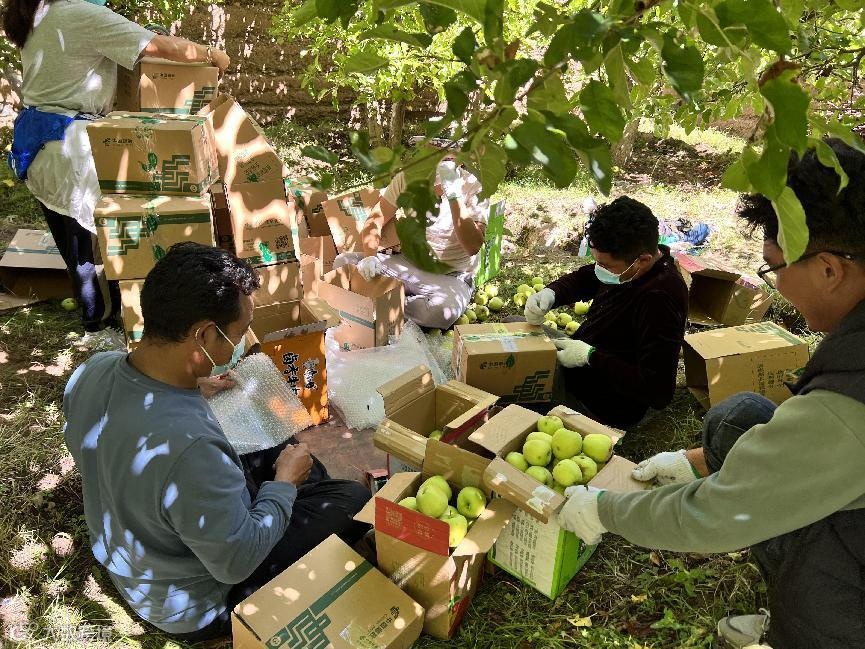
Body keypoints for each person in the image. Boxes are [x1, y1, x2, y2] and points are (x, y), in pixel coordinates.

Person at [556, 139, 865, 649]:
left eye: (773, 268)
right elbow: (808, 437)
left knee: (815, 563)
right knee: (739, 418)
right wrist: (693, 460)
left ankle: (806, 627)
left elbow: (723, 514)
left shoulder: (850, 403)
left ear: (830, 269)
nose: (775, 285)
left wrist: (604, 509)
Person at [62, 243, 371, 640]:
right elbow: (235, 564)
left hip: (138, 552)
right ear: (205, 335)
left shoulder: (93, 370)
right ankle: (291, 497)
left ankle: (288, 496)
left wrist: (193, 384)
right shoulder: (189, 449)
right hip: (196, 602)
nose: (241, 345)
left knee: (274, 443)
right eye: (239, 334)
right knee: (350, 500)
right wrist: (283, 486)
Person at [4, 0, 230, 333]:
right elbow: (162, 47)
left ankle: (96, 315)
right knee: (94, 249)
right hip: (70, 150)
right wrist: (212, 54)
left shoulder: (39, 12)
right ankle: (101, 326)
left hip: (38, 142)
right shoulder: (80, 13)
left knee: (74, 245)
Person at [524, 196, 689, 428]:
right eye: (597, 262)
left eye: (606, 266)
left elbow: (657, 390)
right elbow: (586, 278)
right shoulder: (629, 267)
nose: (599, 270)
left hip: (600, 402)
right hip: (580, 361)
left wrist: (591, 357)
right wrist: (552, 293)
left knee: (510, 379)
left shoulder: (660, 298)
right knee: (514, 329)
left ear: (642, 260)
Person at [333, 158, 488, 329]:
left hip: (450, 275)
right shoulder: (407, 178)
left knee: (442, 311)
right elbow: (376, 219)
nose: (445, 156)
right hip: (405, 264)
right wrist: (370, 257)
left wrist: (454, 195)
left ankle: (374, 301)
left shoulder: (473, 186)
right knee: (343, 263)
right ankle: (386, 302)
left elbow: (473, 246)